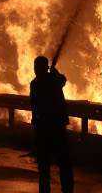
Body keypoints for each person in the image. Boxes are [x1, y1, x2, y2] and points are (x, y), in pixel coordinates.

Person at [30, 56, 73, 193]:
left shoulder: (35, 83)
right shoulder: (51, 80)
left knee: (44, 166)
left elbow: (34, 105)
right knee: (63, 163)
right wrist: (54, 72)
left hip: (43, 129)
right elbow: (63, 80)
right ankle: (67, 190)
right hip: (56, 128)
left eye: (36, 67)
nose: (35, 69)